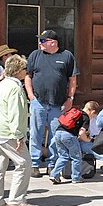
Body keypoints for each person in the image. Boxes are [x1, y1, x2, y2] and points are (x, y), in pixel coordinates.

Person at [25, 29, 78, 178]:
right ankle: (34, 164)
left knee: (56, 135)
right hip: (38, 101)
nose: (40, 43)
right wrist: (30, 95)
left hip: (58, 103)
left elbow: (72, 79)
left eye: (43, 41)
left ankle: (52, 164)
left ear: (53, 43)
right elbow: (28, 77)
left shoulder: (67, 56)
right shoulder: (35, 55)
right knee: (36, 133)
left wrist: (70, 98)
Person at [0, 54, 35, 206]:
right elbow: (15, 113)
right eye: (24, 69)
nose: (26, 72)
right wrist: (19, 134)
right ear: (18, 70)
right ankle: (17, 199)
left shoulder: (2, 84)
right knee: (24, 163)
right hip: (8, 132)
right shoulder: (15, 88)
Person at [50, 104, 91, 185]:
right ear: (92, 111)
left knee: (63, 156)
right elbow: (81, 133)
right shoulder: (85, 117)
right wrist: (88, 140)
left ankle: (54, 174)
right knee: (76, 157)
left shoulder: (73, 111)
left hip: (58, 133)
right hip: (69, 135)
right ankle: (76, 177)